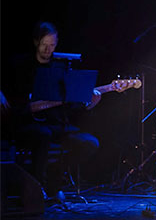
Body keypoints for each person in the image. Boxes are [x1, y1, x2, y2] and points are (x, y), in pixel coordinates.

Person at [1, 21, 101, 199]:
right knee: (42, 134)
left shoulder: (61, 67)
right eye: (44, 45)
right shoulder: (20, 65)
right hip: (26, 123)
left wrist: (90, 102)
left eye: (52, 45)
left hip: (56, 124)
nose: (48, 49)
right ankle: (36, 187)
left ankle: (54, 177)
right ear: (36, 42)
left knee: (89, 142)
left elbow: (72, 103)